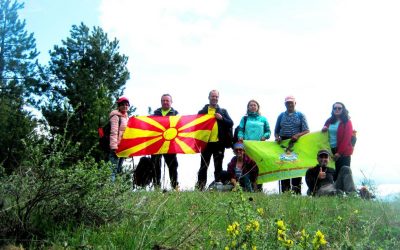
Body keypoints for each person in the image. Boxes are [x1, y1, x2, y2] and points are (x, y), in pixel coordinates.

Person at [196, 90, 234, 190]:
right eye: (213, 96)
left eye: (216, 97)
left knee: (218, 167)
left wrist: (222, 118)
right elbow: (196, 125)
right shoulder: (202, 112)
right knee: (203, 166)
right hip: (206, 144)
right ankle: (200, 187)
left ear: (218, 98)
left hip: (219, 143)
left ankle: (218, 187)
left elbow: (231, 123)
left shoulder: (223, 111)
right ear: (209, 97)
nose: (215, 98)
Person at [274, 95, 309, 194]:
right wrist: (277, 137)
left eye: (291, 102)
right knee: (284, 167)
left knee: (295, 167)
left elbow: (307, 130)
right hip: (283, 144)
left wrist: (297, 135)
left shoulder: (301, 115)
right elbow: (276, 131)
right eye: (287, 103)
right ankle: (285, 193)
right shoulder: (281, 116)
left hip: (297, 144)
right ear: (285, 104)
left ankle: (297, 192)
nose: (289, 104)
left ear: (295, 103)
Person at [237, 99, 271, 191]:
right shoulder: (245, 118)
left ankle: (258, 188)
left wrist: (265, 136)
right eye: (251, 105)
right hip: (247, 147)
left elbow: (268, 132)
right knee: (247, 167)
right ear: (248, 107)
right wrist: (240, 136)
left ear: (257, 107)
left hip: (259, 147)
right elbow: (240, 130)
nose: (253, 106)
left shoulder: (263, 119)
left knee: (258, 167)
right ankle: (248, 188)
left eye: (254, 105)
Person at [151, 94, 179, 189]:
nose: (165, 102)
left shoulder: (176, 114)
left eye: (167, 100)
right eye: (163, 100)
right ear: (161, 102)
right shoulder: (155, 114)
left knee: (173, 166)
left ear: (171, 102)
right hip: (157, 144)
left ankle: (175, 187)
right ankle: (156, 187)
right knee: (155, 166)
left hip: (171, 145)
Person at [321, 102, 354, 181]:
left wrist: (339, 153)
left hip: (343, 152)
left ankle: (345, 192)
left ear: (343, 110)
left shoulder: (347, 122)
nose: (337, 110)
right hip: (330, 151)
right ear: (332, 110)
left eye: (339, 108)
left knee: (344, 174)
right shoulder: (329, 120)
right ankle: (335, 192)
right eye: (335, 108)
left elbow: (347, 138)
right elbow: (324, 130)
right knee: (332, 174)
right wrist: (324, 128)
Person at [109, 96, 130, 181]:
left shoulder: (126, 117)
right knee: (112, 170)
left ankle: (115, 191)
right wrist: (114, 147)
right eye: (123, 104)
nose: (125, 106)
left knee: (118, 169)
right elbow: (113, 132)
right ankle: (109, 190)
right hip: (116, 147)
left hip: (123, 147)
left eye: (126, 105)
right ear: (119, 106)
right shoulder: (115, 116)